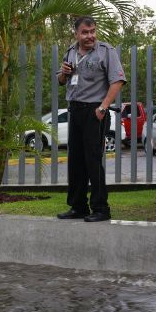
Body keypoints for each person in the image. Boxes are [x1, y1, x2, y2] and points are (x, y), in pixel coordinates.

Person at [56, 16, 125, 222]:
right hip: (75, 110)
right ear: (76, 33)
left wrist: (103, 107)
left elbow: (118, 80)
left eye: (92, 31)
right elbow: (61, 79)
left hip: (95, 111)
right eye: (85, 32)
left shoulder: (106, 51)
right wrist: (64, 74)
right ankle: (78, 207)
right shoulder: (71, 51)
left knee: (93, 161)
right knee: (75, 161)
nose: (90, 36)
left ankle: (101, 209)